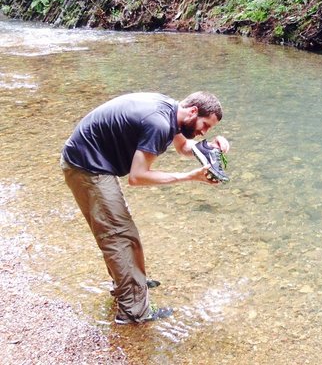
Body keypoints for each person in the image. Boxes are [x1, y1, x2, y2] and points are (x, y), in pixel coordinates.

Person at [61, 91, 230, 325]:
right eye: (205, 125)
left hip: (92, 162)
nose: (204, 131)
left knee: (124, 232)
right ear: (193, 111)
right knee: (118, 236)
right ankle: (133, 312)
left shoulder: (172, 111)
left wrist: (210, 148)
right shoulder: (159, 124)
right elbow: (138, 177)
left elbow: (184, 148)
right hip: (86, 167)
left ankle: (132, 283)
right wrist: (189, 177)